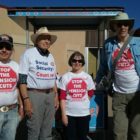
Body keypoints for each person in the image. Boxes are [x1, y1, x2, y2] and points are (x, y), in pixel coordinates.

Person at [95, 12, 140, 140]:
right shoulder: (109, 44)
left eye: (126, 24)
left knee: (136, 132)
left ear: (129, 26)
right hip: (118, 94)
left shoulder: (138, 42)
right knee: (118, 132)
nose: (123, 27)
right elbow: (103, 66)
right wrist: (96, 83)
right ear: (115, 26)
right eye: (120, 24)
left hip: (137, 94)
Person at [19, 27, 59, 140]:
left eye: (48, 39)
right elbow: (22, 79)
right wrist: (26, 100)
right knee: (34, 130)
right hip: (34, 95)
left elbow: (53, 77)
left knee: (47, 131)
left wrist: (55, 95)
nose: (47, 41)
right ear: (37, 40)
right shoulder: (28, 54)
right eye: (43, 38)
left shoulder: (50, 56)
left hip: (50, 96)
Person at [59, 51, 95, 140]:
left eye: (80, 61)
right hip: (69, 115)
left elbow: (90, 93)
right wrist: (63, 115)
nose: (77, 63)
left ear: (82, 63)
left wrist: (84, 102)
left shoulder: (87, 77)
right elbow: (62, 97)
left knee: (82, 138)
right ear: (71, 62)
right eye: (74, 60)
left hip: (84, 115)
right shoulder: (65, 77)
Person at [0, 34, 23, 140]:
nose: (4, 50)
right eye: (1, 47)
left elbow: (18, 88)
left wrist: (21, 107)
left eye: (8, 47)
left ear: (12, 50)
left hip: (12, 111)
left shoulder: (16, 66)